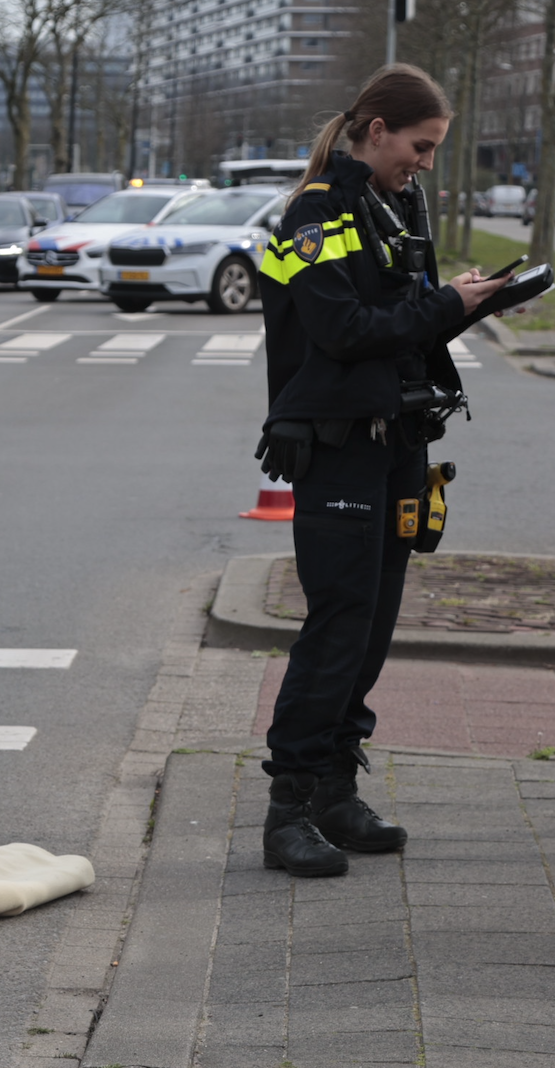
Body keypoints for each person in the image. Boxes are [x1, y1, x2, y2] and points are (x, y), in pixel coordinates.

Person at [254, 64, 514, 877]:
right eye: (420, 146)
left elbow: (396, 321)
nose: (425, 162)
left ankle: (335, 790)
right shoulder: (316, 212)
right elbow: (341, 329)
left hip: (397, 438)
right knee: (337, 625)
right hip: (338, 443)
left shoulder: (393, 205)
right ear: (377, 131)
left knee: (370, 625)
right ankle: (287, 807)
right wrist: (447, 306)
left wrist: (464, 302)